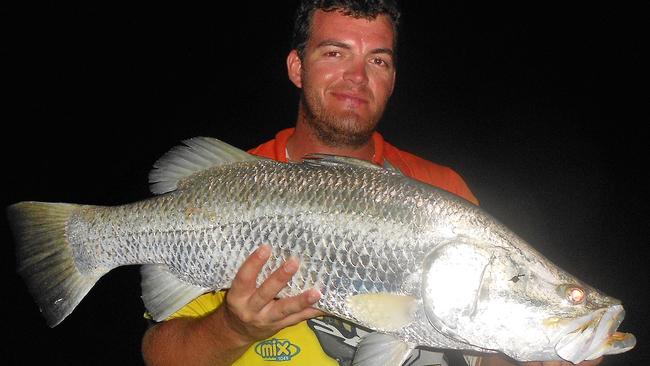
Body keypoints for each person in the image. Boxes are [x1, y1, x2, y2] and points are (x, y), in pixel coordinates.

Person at [141, 1, 602, 366]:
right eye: (335, 52)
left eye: (377, 60)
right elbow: (160, 354)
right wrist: (234, 329)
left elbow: (480, 351)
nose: (357, 78)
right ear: (297, 67)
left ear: (392, 78)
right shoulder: (232, 182)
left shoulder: (441, 194)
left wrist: (535, 350)